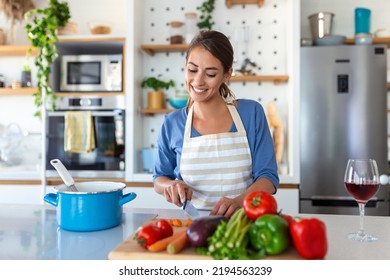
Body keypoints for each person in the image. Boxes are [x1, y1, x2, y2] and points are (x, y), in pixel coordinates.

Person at [153, 30, 279, 218]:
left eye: (210, 73)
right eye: (192, 70)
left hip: (243, 224)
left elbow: (268, 178)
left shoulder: (251, 113)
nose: (197, 81)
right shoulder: (173, 123)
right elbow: (159, 179)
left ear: (227, 75)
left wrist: (239, 201)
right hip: (195, 228)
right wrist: (171, 185)